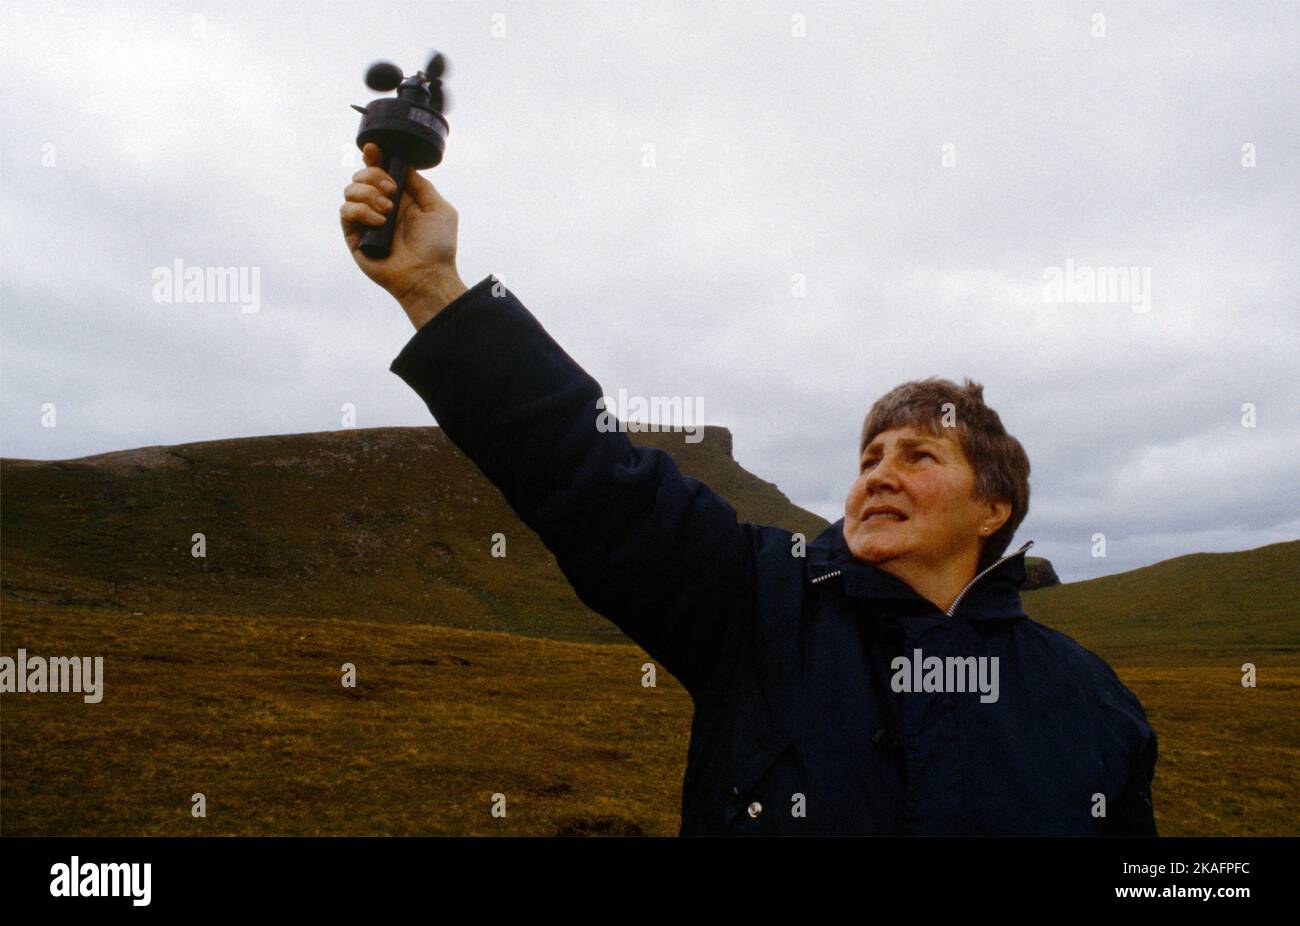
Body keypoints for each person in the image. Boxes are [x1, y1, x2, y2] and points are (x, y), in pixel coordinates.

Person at [340, 144, 1159, 835]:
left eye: (919, 456)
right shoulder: (757, 604)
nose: (879, 473)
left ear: (993, 508)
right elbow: (592, 480)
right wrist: (433, 292)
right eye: (870, 455)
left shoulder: (1090, 700)